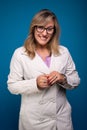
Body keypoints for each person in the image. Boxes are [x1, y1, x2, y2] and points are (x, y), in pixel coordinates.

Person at [7, 9, 80, 130]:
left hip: (61, 120)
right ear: (33, 28)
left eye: (49, 28)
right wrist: (34, 83)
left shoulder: (64, 51)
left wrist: (63, 78)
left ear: (54, 31)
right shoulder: (20, 53)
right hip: (34, 121)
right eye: (40, 27)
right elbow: (12, 86)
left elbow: (76, 80)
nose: (44, 33)